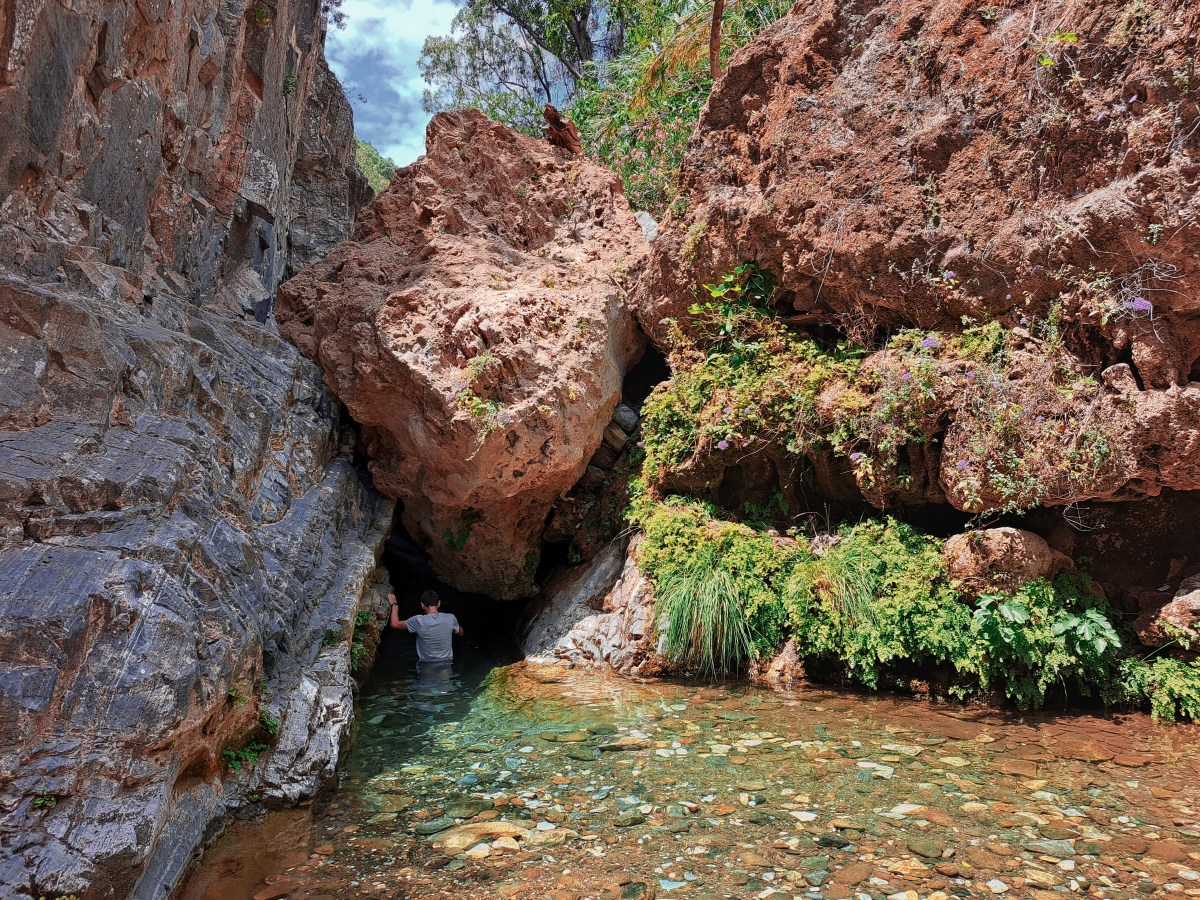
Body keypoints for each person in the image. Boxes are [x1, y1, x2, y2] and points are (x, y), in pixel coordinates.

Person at [389, 589, 463, 662]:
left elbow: (394, 624)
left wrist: (394, 604)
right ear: (439, 603)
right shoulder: (450, 618)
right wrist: (454, 626)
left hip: (426, 665)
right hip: (446, 664)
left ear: (422, 605)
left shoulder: (418, 620)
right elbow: (461, 633)